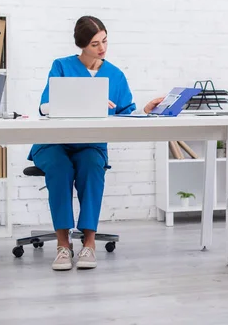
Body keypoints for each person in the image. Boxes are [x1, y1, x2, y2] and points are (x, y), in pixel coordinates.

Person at [28, 15, 164, 271]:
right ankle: (62, 245)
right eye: (94, 44)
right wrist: (85, 101)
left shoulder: (115, 75)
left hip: (90, 145)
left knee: (92, 166)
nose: (101, 48)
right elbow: (45, 108)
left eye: (104, 41)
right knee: (60, 168)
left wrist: (144, 110)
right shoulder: (61, 66)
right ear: (82, 45)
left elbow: (126, 113)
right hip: (55, 143)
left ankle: (89, 243)